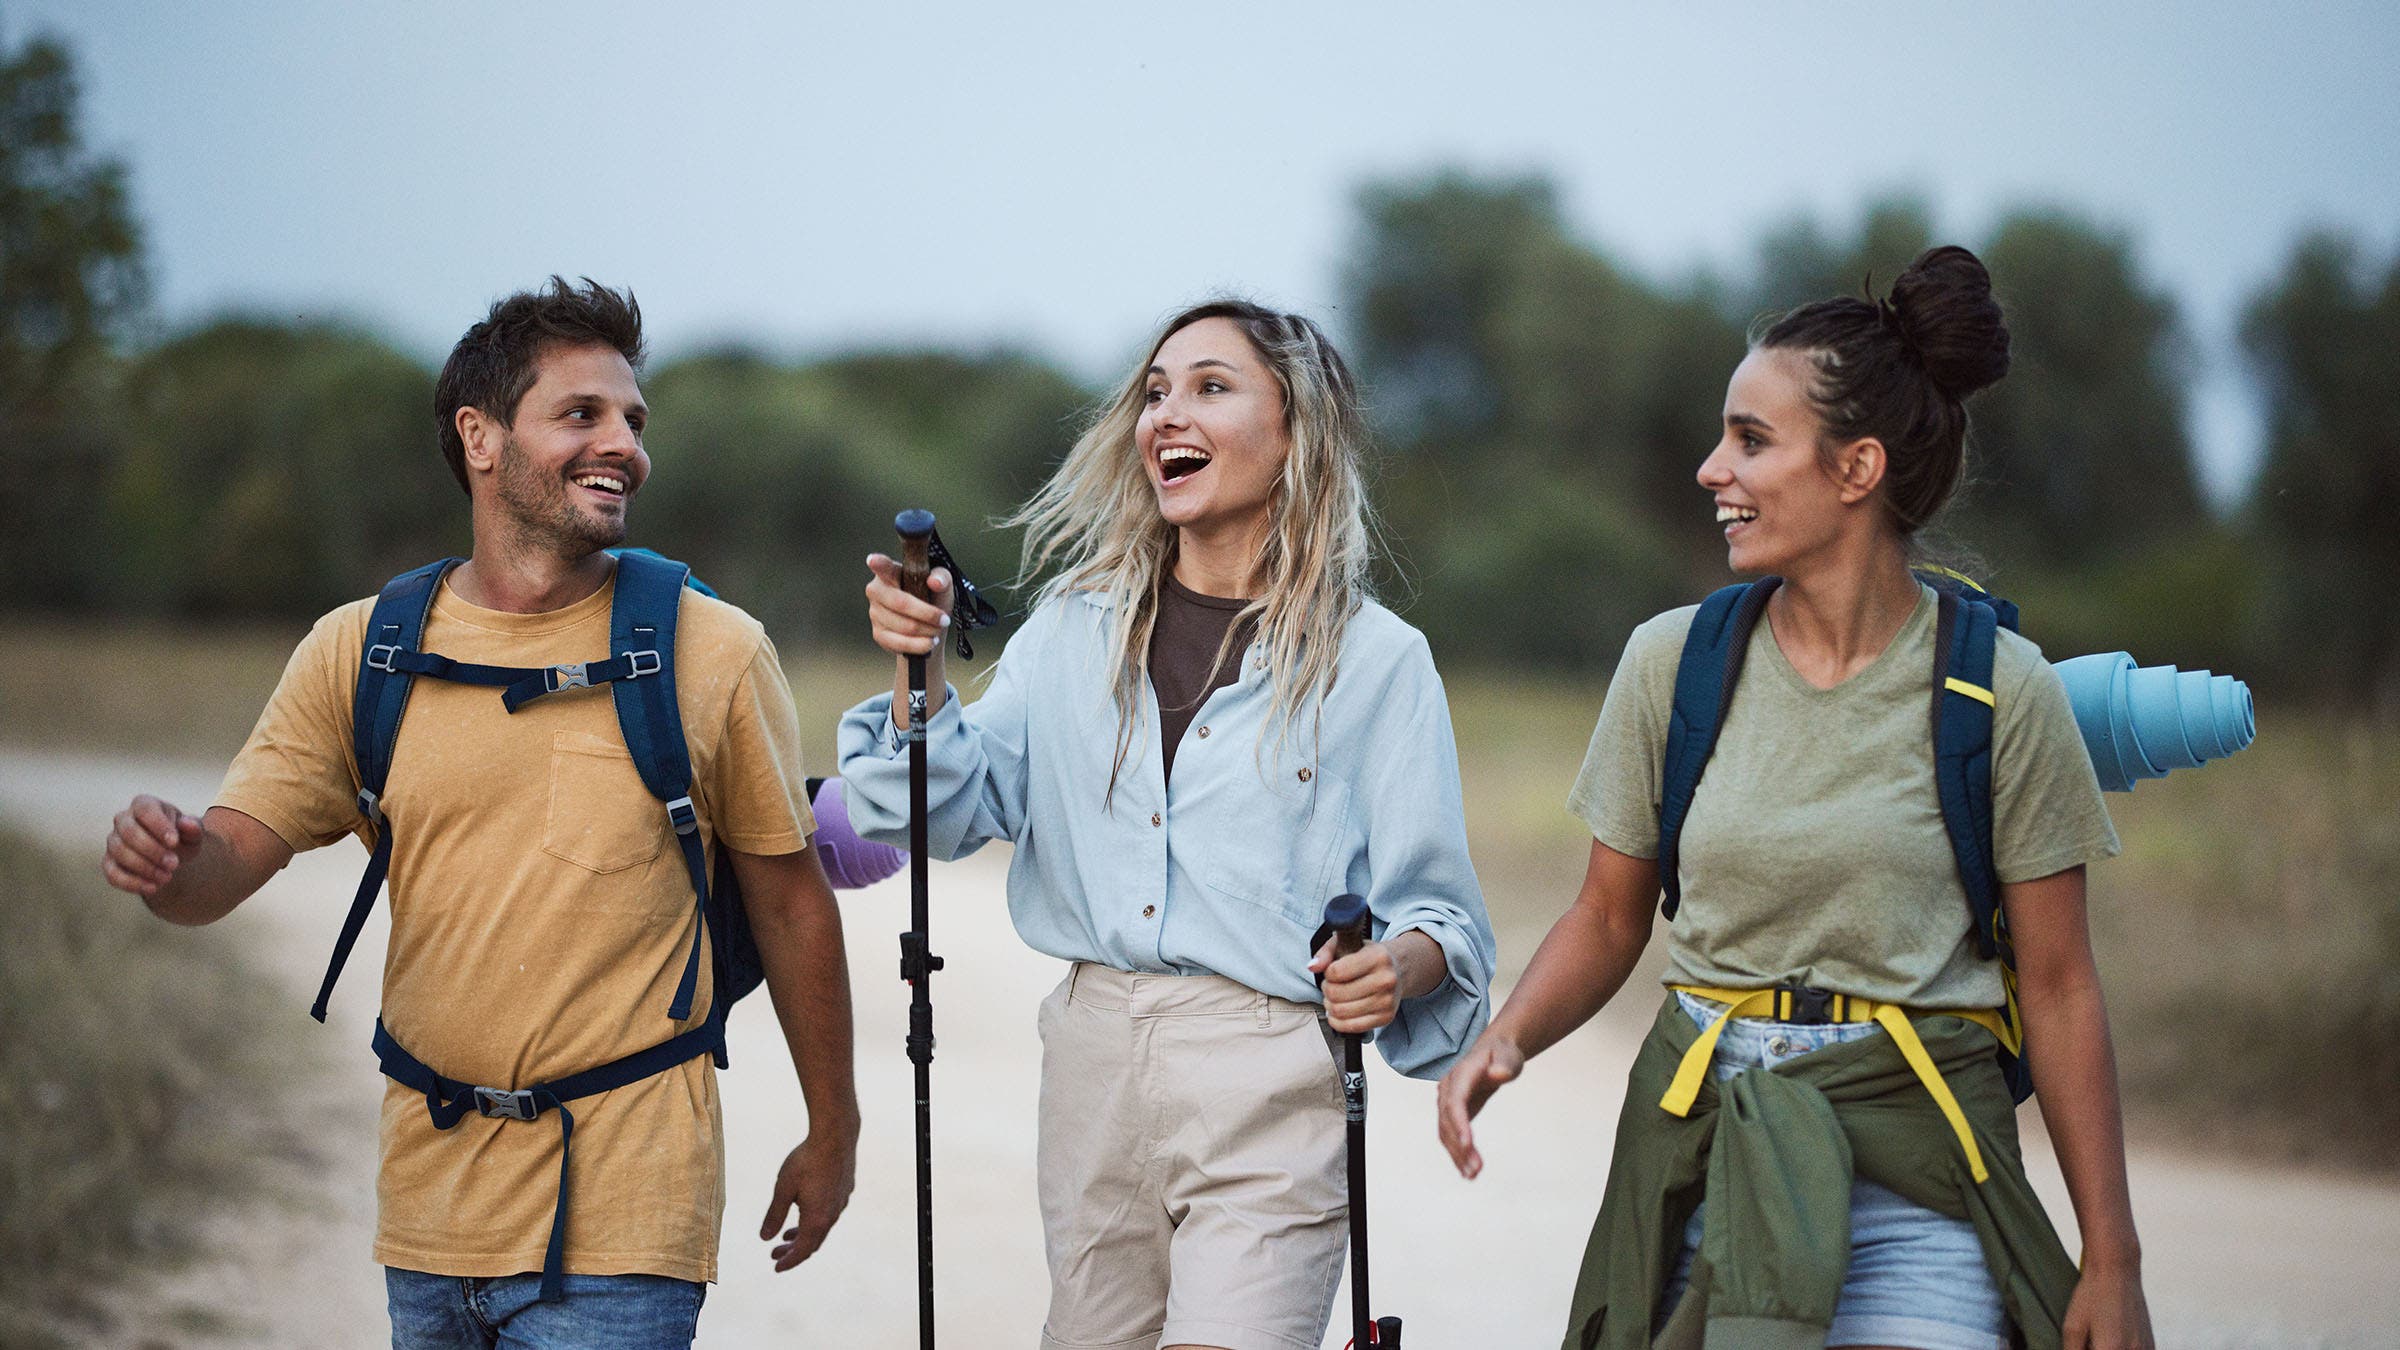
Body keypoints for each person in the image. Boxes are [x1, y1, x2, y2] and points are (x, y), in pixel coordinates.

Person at [98, 278, 860, 1349]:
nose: (625, 446)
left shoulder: (712, 649)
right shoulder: (361, 651)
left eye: (634, 420)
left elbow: (789, 903)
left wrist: (836, 1129)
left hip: (626, 1219)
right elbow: (219, 869)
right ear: (481, 437)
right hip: (431, 1210)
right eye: (582, 414)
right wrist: (166, 858)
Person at [1436, 248, 2156, 1350]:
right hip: (1711, 1156)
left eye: (1751, 441)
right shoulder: (1672, 665)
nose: (1710, 468)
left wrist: (2113, 1259)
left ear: (1857, 468)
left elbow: (2059, 989)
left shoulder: (2000, 691)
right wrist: (1509, 1037)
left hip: (1923, 1172)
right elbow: (1610, 914)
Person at [840, 299, 1497, 1350]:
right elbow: (948, 807)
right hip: (1093, 1067)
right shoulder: (1069, 631)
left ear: (1297, 433)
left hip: (1272, 1072)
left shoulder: (1378, 663)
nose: (1166, 415)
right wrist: (914, 672)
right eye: (1154, 392)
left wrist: (1399, 968)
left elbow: (1441, 916)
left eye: (1210, 387)